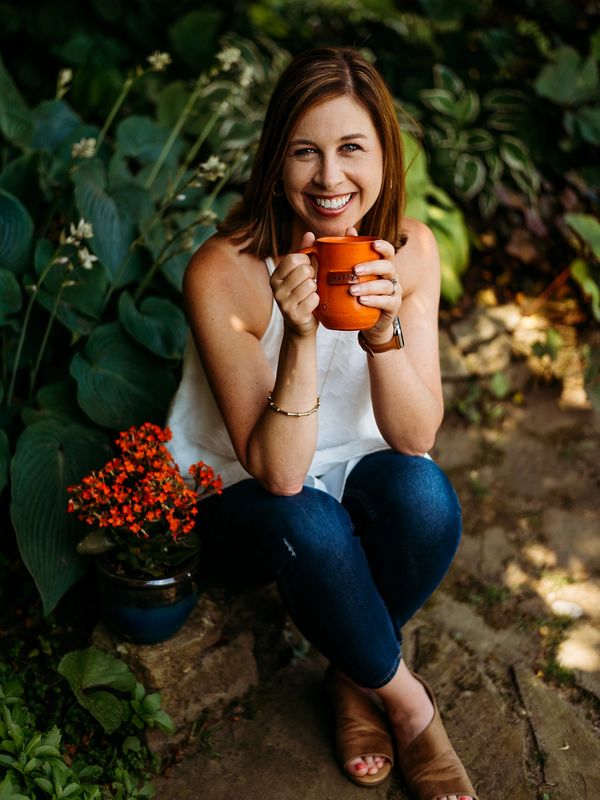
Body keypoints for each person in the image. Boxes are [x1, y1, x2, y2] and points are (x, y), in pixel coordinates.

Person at [167, 47, 478, 800]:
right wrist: (301, 337)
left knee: (426, 498)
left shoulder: (413, 250)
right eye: (306, 151)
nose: (330, 178)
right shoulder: (222, 270)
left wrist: (383, 328)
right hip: (245, 500)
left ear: (383, 156)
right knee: (310, 523)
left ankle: (352, 672)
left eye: (351, 149)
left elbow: (414, 438)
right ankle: (408, 707)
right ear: (276, 161)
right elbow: (276, 474)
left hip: (349, 480)